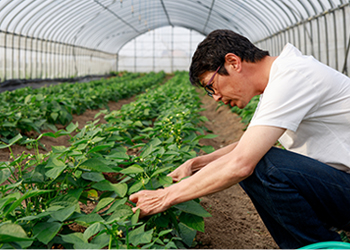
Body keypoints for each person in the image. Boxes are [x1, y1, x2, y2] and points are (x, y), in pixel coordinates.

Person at [129, 29, 350, 249]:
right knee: (258, 159)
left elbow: (243, 161)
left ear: (233, 62)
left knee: (261, 166)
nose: (215, 97)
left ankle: (324, 247)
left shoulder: (294, 76)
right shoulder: (281, 79)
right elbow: (251, 143)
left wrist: (165, 196)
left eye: (211, 86)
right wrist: (195, 164)